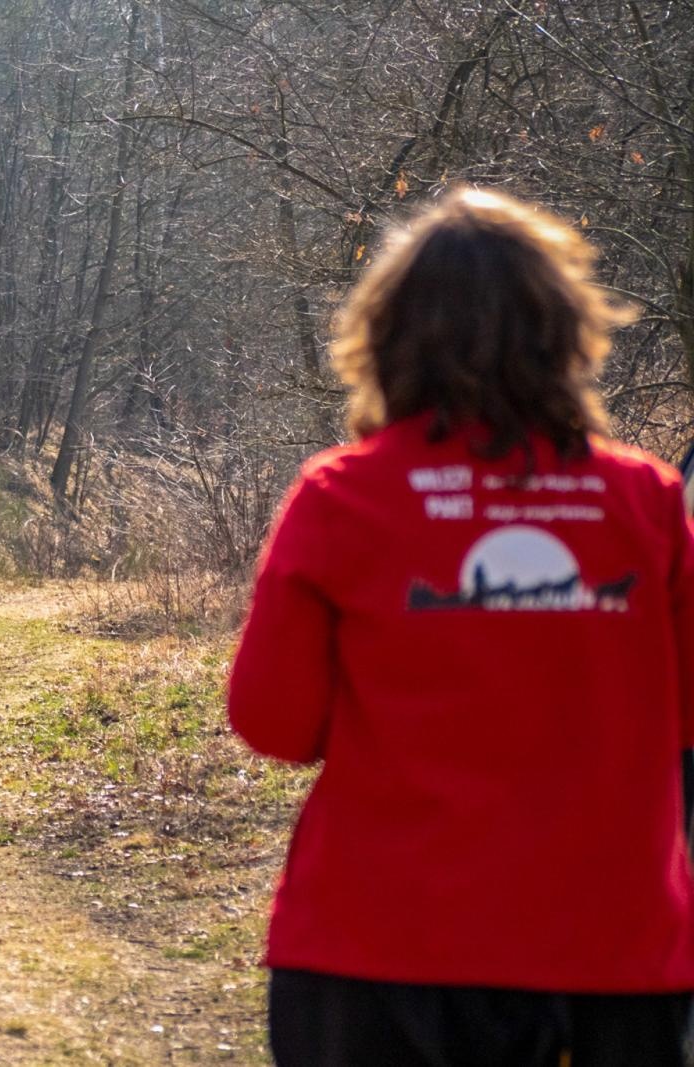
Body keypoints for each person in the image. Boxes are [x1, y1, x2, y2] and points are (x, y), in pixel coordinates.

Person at [228, 188, 694, 1065]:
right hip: (610, 954)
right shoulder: (649, 501)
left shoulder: (343, 496)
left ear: (387, 336)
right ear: (565, 331)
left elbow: (273, 722)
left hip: (376, 951)